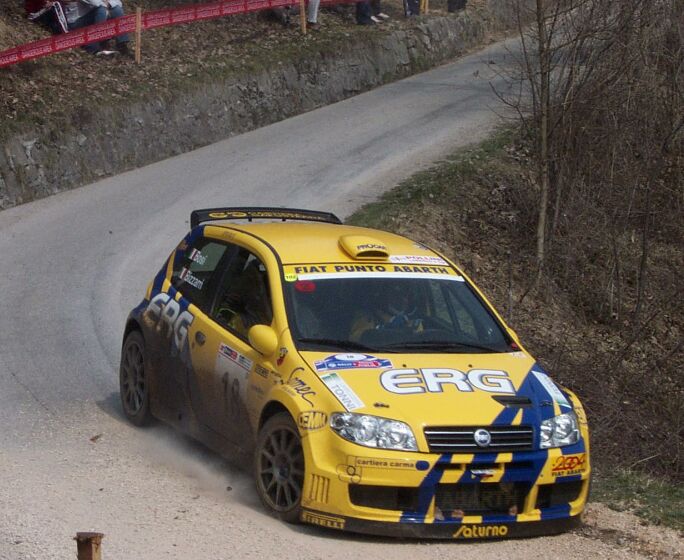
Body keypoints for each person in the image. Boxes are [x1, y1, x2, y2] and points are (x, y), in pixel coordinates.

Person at [349, 283, 424, 342]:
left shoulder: (415, 322)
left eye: (404, 294)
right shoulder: (367, 317)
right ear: (384, 296)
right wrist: (381, 331)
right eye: (395, 294)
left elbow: (420, 343)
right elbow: (355, 340)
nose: (401, 299)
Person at [63, 0, 130, 56]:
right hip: (75, 21)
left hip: (89, 16)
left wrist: (108, 3)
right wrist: (106, 3)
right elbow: (94, 3)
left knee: (117, 9)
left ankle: (122, 43)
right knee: (101, 10)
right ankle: (100, 42)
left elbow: (118, 3)